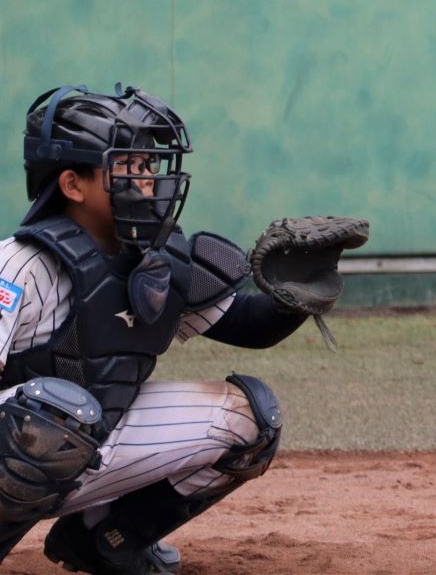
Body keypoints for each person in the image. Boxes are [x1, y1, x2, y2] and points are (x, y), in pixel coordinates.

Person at [0, 85, 347, 574]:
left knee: (251, 420)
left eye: (147, 166)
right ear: (73, 185)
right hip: (21, 447)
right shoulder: (21, 265)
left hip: (81, 451)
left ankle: (105, 539)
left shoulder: (156, 261)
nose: (146, 181)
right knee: (51, 414)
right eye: (127, 166)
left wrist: (294, 296)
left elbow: (248, 327)